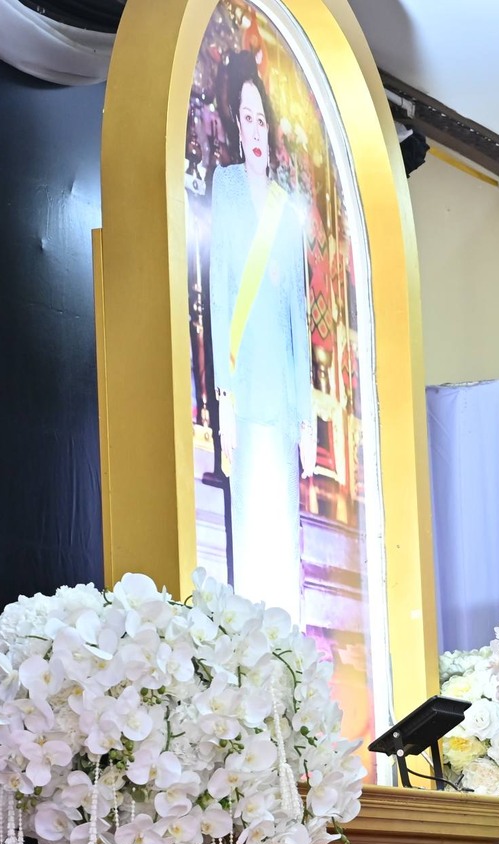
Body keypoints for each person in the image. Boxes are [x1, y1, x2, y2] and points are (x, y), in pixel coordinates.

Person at [206, 51, 313, 619]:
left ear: (271, 128)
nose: (253, 129)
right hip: (244, 389)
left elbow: (297, 309)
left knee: (284, 528)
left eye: (260, 118)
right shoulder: (224, 189)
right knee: (250, 526)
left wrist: (306, 421)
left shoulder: (287, 206)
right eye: (244, 118)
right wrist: (224, 399)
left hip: (283, 393)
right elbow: (221, 289)